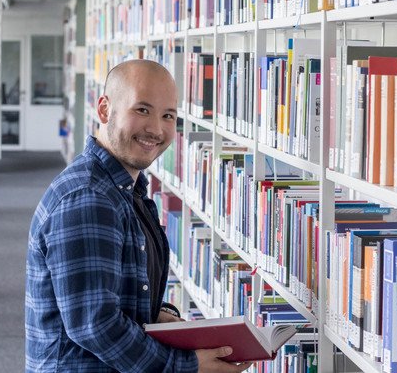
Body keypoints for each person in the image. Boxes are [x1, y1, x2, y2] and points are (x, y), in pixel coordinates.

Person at [26, 60, 250, 373]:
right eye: (142, 110)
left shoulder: (126, 190)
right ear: (105, 110)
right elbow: (95, 325)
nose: (156, 129)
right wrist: (185, 366)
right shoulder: (89, 199)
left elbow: (111, 295)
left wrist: (157, 316)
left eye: (168, 115)